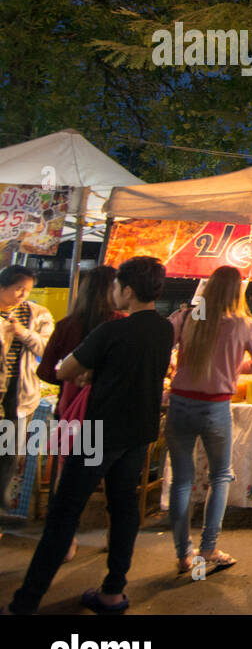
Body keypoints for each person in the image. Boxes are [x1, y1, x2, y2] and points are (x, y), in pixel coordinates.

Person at [6, 257, 173, 614]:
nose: (113, 292)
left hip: (97, 433)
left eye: (117, 286)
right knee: (125, 509)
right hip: (138, 432)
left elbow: (64, 368)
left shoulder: (111, 331)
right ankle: (113, 592)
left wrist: (87, 373)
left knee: (64, 514)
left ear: (127, 290)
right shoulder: (163, 329)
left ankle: (26, 602)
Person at [167, 266, 252, 576]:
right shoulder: (243, 324)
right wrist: (233, 367)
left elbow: (163, 350)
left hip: (180, 403)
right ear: (238, 292)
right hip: (215, 407)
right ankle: (209, 547)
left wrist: (175, 364)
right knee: (220, 476)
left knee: (182, 480)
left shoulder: (186, 317)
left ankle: (184, 554)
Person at [36, 265, 122, 560]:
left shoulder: (66, 325)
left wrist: (72, 376)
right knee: (112, 477)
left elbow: (46, 371)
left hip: (70, 411)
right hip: (108, 412)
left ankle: (66, 541)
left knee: (66, 473)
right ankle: (114, 537)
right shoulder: (120, 324)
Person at [0, 264, 54, 514]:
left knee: (9, 454)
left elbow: (47, 349)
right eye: (17, 289)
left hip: (18, 396)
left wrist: (23, 333)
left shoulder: (38, 315)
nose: (22, 295)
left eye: (27, 290)